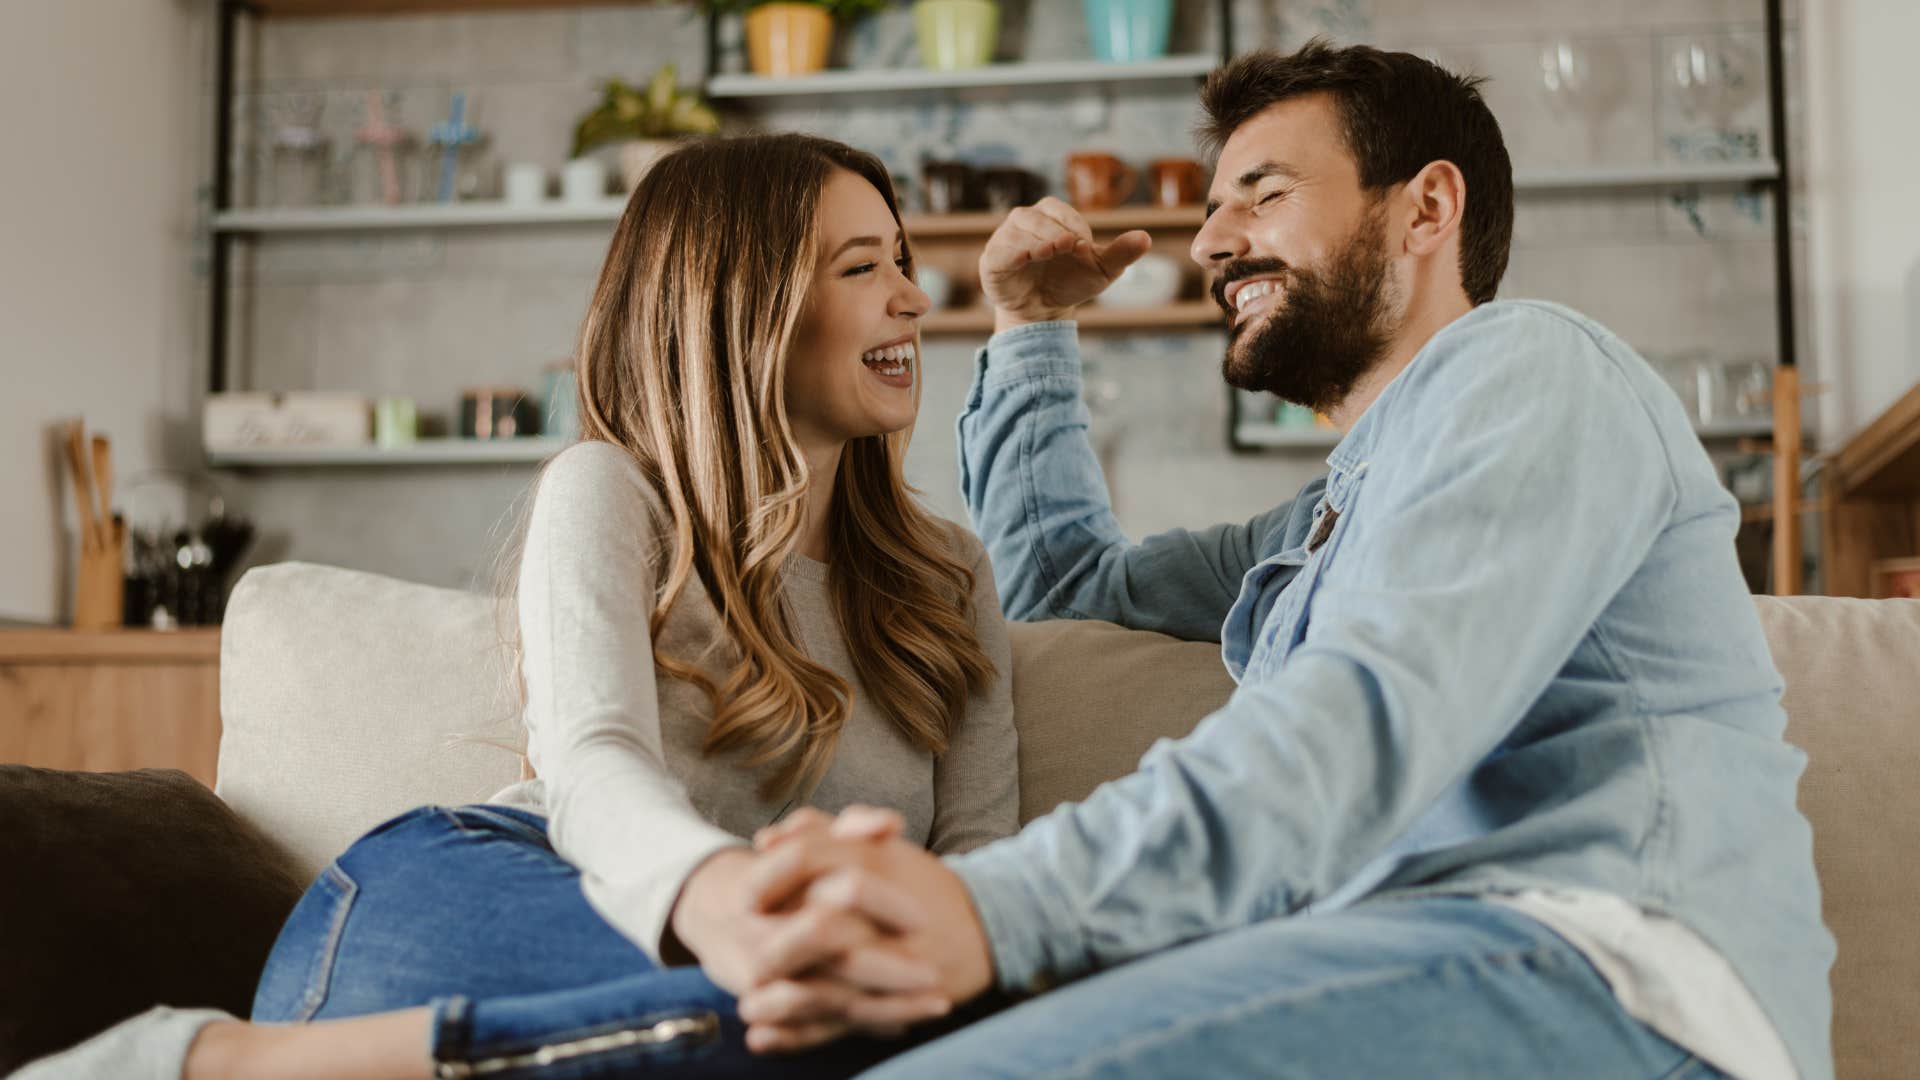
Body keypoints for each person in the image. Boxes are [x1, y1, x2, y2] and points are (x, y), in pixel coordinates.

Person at [720, 40, 1835, 1080]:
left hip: (1616, 977)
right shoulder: (1330, 516)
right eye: (1214, 208)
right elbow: (1065, 593)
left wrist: (992, 912)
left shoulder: (1534, 369)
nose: (1211, 241)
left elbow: (1363, 720)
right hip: (1415, 963)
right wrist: (1029, 326)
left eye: (1264, 193)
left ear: (1426, 208)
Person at [19, 132, 1021, 1080]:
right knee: (824, 1010)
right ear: (742, 309)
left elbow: (987, 863)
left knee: (916, 1011)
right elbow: (593, 763)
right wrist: (721, 899)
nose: (914, 298)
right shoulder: (613, 491)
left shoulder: (950, 577)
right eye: (862, 268)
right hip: (481, 899)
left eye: (901, 261)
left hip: (742, 977)